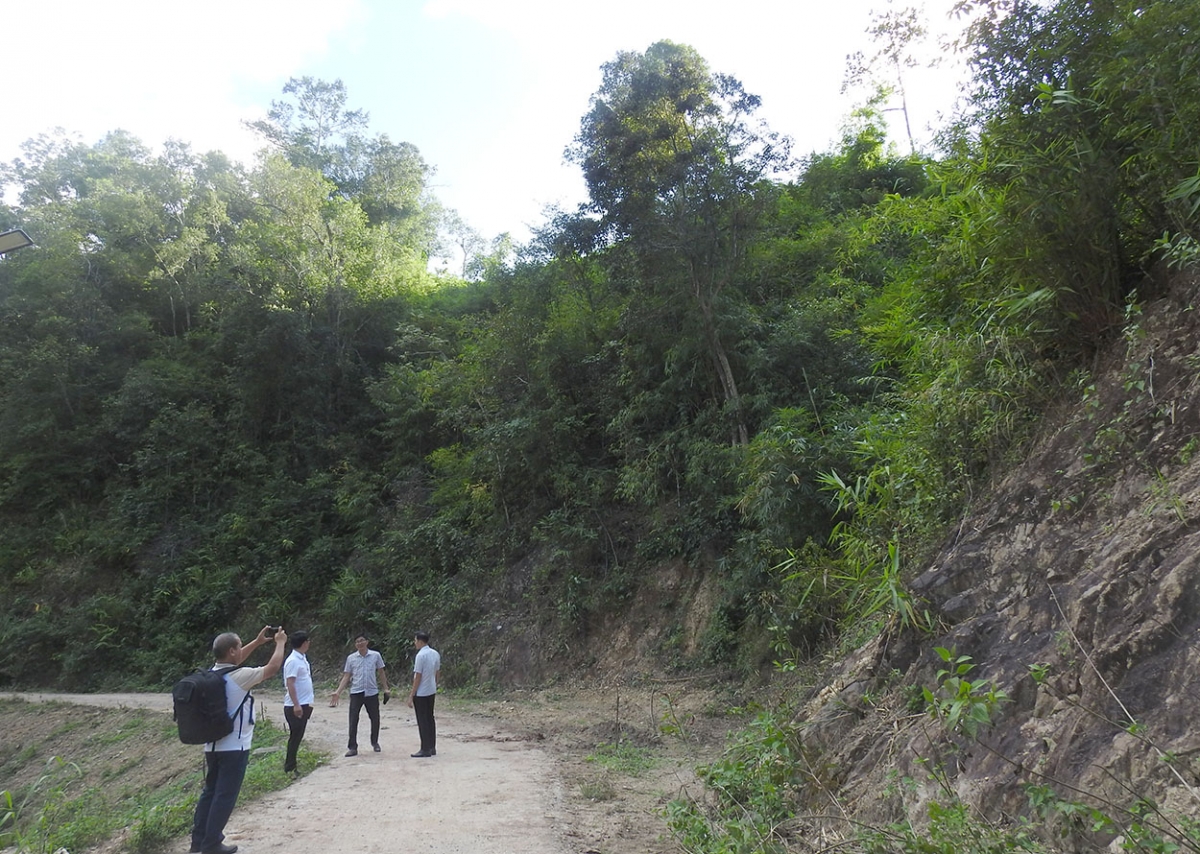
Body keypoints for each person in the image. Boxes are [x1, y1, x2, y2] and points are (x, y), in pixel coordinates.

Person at [190, 625, 288, 854]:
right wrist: (280, 642)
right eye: (239, 646)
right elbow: (272, 668)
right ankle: (212, 844)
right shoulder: (240, 678)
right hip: (235, 746)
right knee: (224, 797)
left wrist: (256, 642)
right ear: (233, 651)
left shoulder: (210, 676)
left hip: (212, 746)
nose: (241, 649)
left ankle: (199, 842)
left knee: (209, 794)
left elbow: (234, 659)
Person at [329, 633, 390, 756]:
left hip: (371, 692)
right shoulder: (351, 658)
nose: (360, 643)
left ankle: (375, 742)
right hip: (356, 692)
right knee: (353, 719)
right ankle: (352, 747)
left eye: (362, 641)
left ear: (367, 642)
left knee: (375, 718)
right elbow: (347, 676)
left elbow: (381, 672)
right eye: (357, 642)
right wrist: (338, 691)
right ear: (355, 644)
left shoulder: (375, 655)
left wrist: (386, 688)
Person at [281, 630, 314, 775]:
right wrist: (296, 704)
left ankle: (292, 765)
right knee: (295, 737)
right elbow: (290, 683)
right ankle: (290, 767)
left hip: (304, 703)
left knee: (298, 736)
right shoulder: (293, 661)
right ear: (304, 643)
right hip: (295, 705)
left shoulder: (302, 658)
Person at [407, 630, 441, 757]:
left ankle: (425, 748)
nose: (415, 643)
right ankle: (432, 746)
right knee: (430, 718)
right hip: (431, 690)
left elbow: (418, 676)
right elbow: (438, 672)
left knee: (422, 720)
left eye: (415, 641)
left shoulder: (420, 656)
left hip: (421, 692)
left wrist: (412, 694)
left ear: (421, 641)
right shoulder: (435, 653)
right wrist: (435, 684)